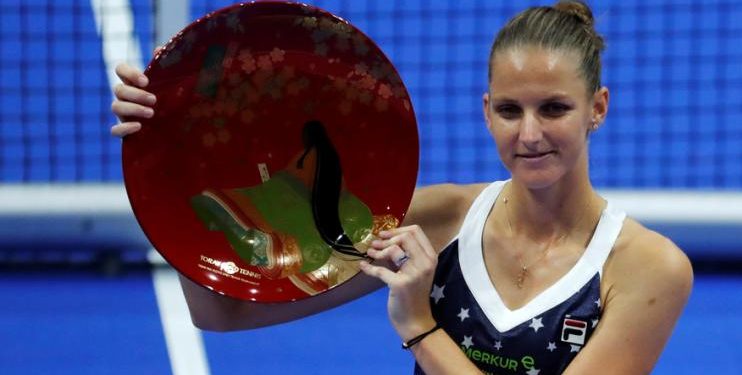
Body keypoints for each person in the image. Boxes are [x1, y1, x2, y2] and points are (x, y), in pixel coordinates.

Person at [111, 1, 693, 373]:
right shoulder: (436, 222)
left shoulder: (648, 269)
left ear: (598, 108)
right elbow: (223, 311)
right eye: (511, 110)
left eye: (555, 108)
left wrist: (419, 325)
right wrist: (166, 160)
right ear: (486, 111)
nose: (531, 133)